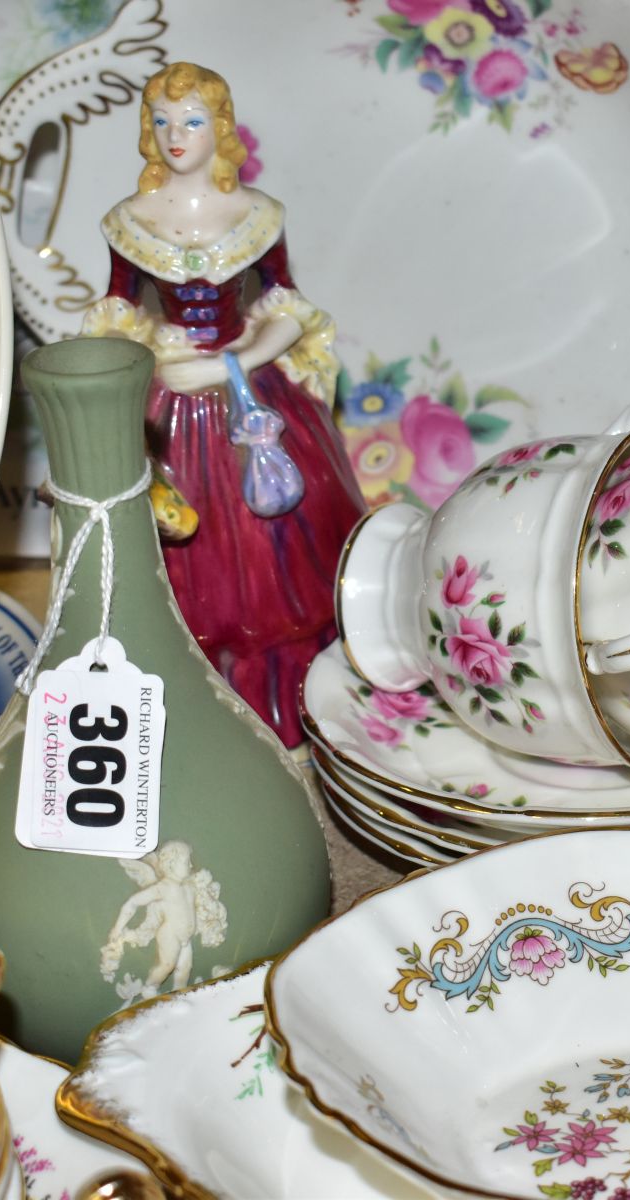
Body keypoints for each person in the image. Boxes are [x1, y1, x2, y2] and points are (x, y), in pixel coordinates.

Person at [82, 62, 363, 747]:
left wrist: (239, 359)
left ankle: (291, 703)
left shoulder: (257, 217)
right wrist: (140, 368)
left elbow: (286, 306)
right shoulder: (129, 223)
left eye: (192, 121)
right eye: (163, 122)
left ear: (221, 128)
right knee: (175, 546)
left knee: (288, 534)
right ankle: (190, 717)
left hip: (248, 397)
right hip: (170, 402)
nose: (177, 136)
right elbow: (118, 310)